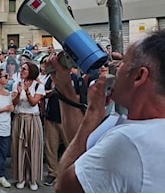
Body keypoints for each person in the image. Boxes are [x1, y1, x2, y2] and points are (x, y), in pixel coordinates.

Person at [53, 30, 165, 192]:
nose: (115, 68)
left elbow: (63, 188)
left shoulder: (129, 142)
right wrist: (67, 92)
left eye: (123, 62)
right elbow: (84, 155)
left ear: (139, 76)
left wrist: (92, 114)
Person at [11, 61, 45, 191]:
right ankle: (21, 177)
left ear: (31, 71)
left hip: (32, 119)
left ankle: (33, 179)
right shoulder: (16, 84)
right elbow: (14, 102)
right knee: (19, 148)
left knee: (33, 148)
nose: (22, 70)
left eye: (24, 69)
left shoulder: (38, 86)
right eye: (21, 68)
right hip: (19, 118)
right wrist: (19, 93)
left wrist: (27, 91)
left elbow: (33, 103)